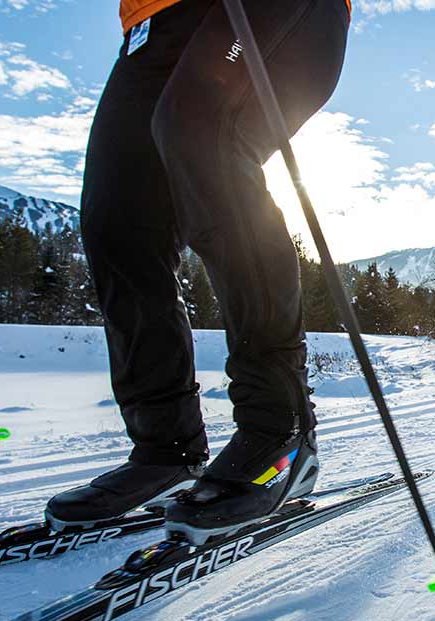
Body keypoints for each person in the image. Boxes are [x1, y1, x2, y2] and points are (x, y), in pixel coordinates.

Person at [44, 0, 350, 541]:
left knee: (205, 129)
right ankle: (167, 448)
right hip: (151, 24)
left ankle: (279, 433)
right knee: (117, 215)